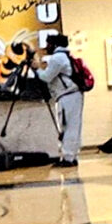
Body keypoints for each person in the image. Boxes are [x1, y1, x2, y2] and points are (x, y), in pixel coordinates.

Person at [34, 34, 85, 167]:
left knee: (69, 126)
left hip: (68, 96)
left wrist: (36, 68)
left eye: (49, 44)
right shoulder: (64, 56)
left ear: (55, 45)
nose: (47, 47)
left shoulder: (58, 58)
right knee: (72, 126)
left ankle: (68, 157)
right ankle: (71, 155)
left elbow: (46, 77)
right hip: (71, 95)